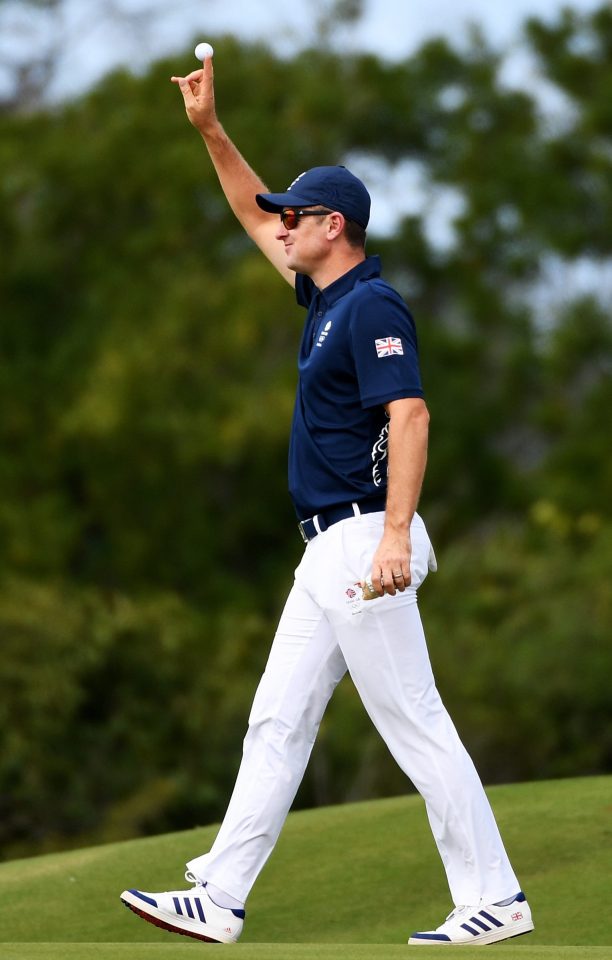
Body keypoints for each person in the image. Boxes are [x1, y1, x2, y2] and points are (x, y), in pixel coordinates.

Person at [120, 54, 534, 947]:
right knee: (277, 717)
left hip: (363, 541)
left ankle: (495, 896)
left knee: (414, 721)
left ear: (331, 225)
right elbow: (244, 206)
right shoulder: (323, 302)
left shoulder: (374, 306)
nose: (279, 227)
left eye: (293, 217)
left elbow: (412, 414)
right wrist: (211, 132)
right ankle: (222, 896)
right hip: (327, 550)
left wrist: (393, 536)